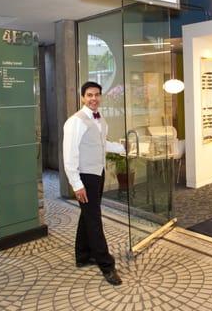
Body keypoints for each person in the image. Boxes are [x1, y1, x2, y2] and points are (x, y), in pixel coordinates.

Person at [63, 81, 125, 286]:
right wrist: (76, 184)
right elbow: (69, 155)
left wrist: (122, 148)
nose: (94, 99)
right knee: (94, 220)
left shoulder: (100, 119)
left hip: (98, 174)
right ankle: (106, 265)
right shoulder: (75, 121)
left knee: (88, 215)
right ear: (82, 97)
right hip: (85, 177)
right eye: (89, 95)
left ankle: (82, 255)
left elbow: (101, 143)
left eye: (97, 95)